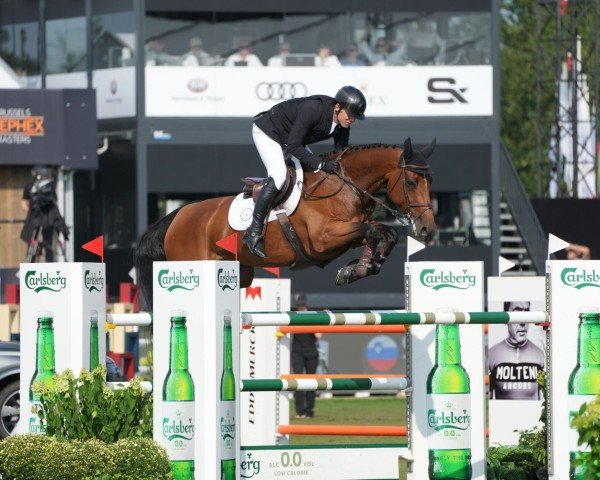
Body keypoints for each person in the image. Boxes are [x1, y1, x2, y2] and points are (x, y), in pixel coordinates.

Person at [243, 85, 367, 257]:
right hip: (269, 132)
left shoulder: (342, 122)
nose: (352, 120)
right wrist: (321, 164)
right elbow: (294, 145)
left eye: (355, 117)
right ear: (337, 107)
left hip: (291, 140)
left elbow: (342, 154)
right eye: (350, 115)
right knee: (279, 176)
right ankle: (254, 232)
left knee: (314, 174)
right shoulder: (313, 110)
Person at [488, 301, 545, 400]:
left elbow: (543, 400)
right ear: (505, 318)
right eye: (517, 314)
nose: (523, 323)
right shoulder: (492, 354)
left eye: (526, 314)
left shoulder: (541, 354)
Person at [20, 166, 69, 262]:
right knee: (45, 243)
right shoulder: (35, 187)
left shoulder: (34, 187)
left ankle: (32, 265)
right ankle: (44, 264)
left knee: (41, 243)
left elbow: (24, 204)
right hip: (46, 219)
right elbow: (55, 201)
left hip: (41, 219)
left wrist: (32, 213)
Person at [290, 293, 322, 418]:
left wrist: (312, 323)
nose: (300, 308)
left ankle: (309, 410)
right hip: (297, 352)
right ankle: (299, 411)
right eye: (299, 306)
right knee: (298, 381)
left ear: (306, 305)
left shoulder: (313, 315)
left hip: (311, 352)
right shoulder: (293, 316)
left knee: (311, 382)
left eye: (302, 306)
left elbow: (319, 335)